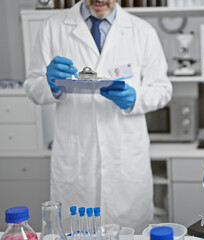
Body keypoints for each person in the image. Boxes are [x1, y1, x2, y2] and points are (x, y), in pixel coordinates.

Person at [24, 0, 172, 233]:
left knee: (128, 233)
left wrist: (134, 98)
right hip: (76, 161)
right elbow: (32, 88)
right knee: (76, 233)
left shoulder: (142, 31)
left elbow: (163, 90)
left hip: (125, 162)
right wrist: (49, 83)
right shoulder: (53, 27)